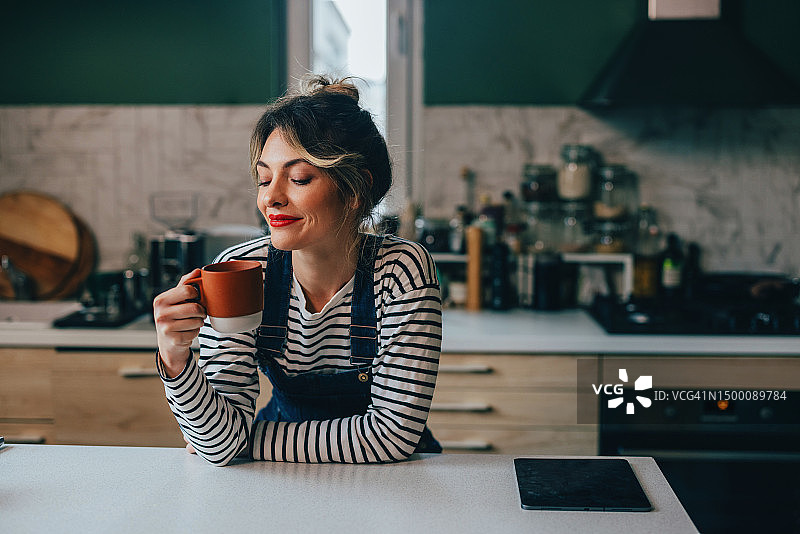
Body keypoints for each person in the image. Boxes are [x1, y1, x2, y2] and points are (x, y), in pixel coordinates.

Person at [153, 76, 443, 466]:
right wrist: (175, 358)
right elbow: (218, 445)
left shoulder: (400, 271)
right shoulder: (245, 272)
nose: (271, 197)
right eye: (264, 178)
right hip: (281, 485)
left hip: (393, 485)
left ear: (356, 189)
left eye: (299, 178)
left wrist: (248, 442)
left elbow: (391, 439)